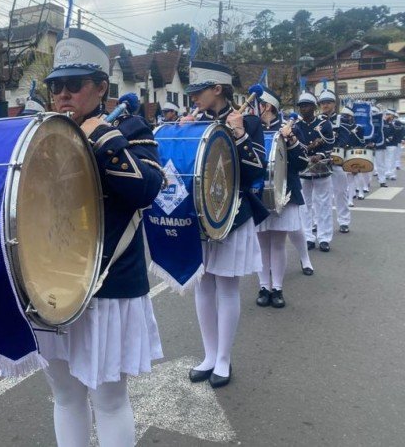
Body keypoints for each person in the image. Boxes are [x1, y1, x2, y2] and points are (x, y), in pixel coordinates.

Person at [37, 27, 165, 447]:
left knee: (109, 400)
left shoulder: (130, 127)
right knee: (65, 395)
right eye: (56, 85)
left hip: (109, 282)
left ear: (101, 88)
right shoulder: (45, 131)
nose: (63, 94)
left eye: (74, 84)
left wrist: (104, 138)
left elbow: (146, 188)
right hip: (52, 279)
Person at [181, 62, 268, 388]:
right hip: (200, 214)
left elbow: (257, 171)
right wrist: (183, 131)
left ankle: (223, 358)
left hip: (232, 214)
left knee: (227, 286)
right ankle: (208, 354)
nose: (193, 98)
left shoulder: (248, 121)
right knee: (202, 284)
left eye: (197, 91)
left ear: (217, 88)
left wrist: (241, 134)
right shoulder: (192, 122)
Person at [255, 86, 310, 308]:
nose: (252, 108)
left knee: (278, 243)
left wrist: (292, 141)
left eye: (255, 104)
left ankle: (277, 287)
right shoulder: (251, 128)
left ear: (267, 106)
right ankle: (263, 286)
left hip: (284, 193)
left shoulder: (291, 128)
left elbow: (302, 164)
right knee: (261, 244)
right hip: (258, 193)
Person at [296, 91, 334, 252]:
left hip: (321, 167)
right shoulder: (296, 126)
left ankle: (324, 237)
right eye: (301, 106)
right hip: (303, 168)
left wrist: (320, 154)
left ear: (313, 107)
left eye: (306, 106)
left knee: (323, 203)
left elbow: (330, 144)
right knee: (305, 204)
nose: (303, 109)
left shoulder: (324, 124)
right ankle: (308, 237)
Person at [319, 89, 352, 233]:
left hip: (337, 161)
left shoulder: (341, 120)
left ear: (334, 104)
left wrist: (332, 149)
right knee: (319, 196)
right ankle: (316, 222)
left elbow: (344, 139)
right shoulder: (316, 120)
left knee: (340, 192)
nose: (325, 105)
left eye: (328, 102)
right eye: (323, 103)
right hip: (320, 162)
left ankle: (344, 221)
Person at [383, 110, 400, 181]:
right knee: (386, 159)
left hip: (393, 144)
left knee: (392, 159)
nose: (386, 116)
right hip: (385, 144)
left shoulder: (396, 123)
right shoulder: (385, 123)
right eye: (386, 114)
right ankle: (387, 173)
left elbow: (397, 132)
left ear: (392, 116)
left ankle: (392, 174)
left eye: (388, 114)